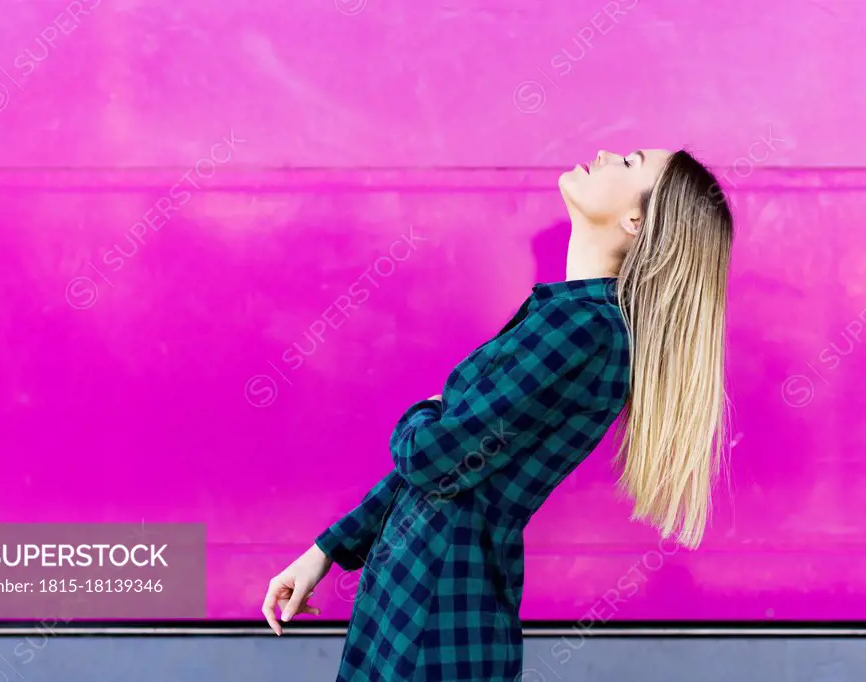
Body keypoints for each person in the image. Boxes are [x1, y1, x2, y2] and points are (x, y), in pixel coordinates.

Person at [263, 148, 734, 681]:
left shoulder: (582, 331)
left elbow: (434, 461)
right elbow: (441, 469)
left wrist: (421, 411)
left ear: (635, 221)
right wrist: (326, 549)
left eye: (628, 163)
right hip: (422, 589)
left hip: (436, 607)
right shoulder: (565, 317)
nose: (605, 154)